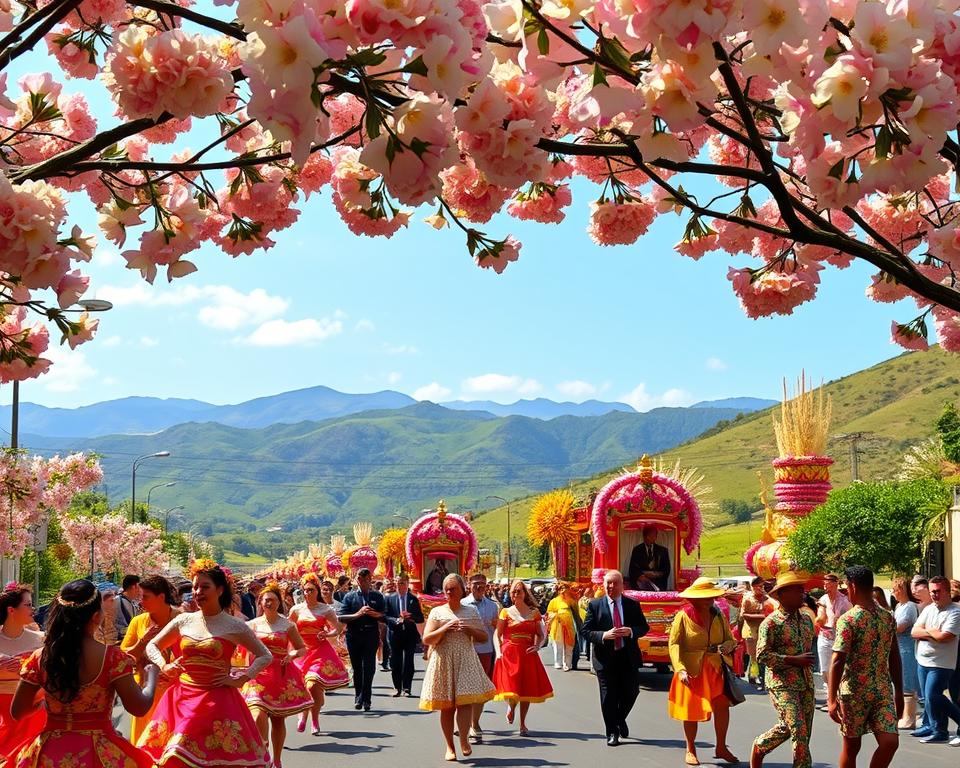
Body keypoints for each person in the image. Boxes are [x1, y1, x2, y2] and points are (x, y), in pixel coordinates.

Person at [7, 579, 159, 768]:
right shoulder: (112, 658)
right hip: (99, 751)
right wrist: (152, 676)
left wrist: (46, 701)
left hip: (49, 753)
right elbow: (139, 707)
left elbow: (18, 711)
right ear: (96, 616)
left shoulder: (40, 658)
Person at [138, 559, 272, 768]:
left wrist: (242, 679)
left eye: (204, 587)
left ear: (220, 590)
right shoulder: (184, 621)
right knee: (175, 757)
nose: (198, 592)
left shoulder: (235, 625)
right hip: (182, 700)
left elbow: (265, 655)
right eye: (195, 587)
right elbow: (152, 646)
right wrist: (164, 665)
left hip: (218, 702)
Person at [828, 565, 903, 768]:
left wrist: (898, 693)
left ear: (852, 587)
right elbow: (839, 660)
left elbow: (893, 655)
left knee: (890, 742)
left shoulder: (885, 617)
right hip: (854, 693)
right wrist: (833, 698)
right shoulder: (852, 618)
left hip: (881, 691)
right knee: (851, 748)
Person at [419, 573, 495, 762]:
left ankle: (463, 740)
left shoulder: (470, 612)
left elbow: (483, 637)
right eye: (446, 589)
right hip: (444, 661)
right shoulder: (438, 612)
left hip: (465, 660)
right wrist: (444, 629)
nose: (449, 592)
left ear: (462, 590)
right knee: (447, 707)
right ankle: (449, 747)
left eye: (453, 589)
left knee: (465, 702)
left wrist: (467, 629)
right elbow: (427, 639)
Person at [667, 576, 739, 766]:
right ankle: (690, 748)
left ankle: (721, 747)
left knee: (722, 706)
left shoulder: (718, 615)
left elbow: (730, 638)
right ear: (695, 598)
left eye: (712, 596)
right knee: (691, 711)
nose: (711, 600)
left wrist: (728, 645)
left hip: (716, 668)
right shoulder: (682, 616)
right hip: (692, 670)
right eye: (706, 597)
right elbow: (674, 644)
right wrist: (680, 669)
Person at [242, 582, 312, 767]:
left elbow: (302, 648)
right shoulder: (251, 625)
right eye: (266, 600)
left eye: (273, 600)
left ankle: (278, 758)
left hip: (280, 675)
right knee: (257, 713)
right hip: (257, 676)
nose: (269, 604)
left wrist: (292, 654)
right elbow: (242, 648)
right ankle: (264, 754)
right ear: (260, 602)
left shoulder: (288, 625)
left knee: (278, 720)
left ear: (279, 602)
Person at [751, 571, 816, 768]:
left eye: (802, 590)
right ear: (782, 595)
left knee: (800, 731)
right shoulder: (770, 623)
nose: (802, 594)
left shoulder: (806, 620)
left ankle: (761, 745)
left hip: (805, 682)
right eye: (797, 591)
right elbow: (762, 655)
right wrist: (792, 660)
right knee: (798, 729)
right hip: (782, 684)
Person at [581, 569, 649, 747]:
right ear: (603, 586)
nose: (611, 587)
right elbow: (585, 631)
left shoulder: (632, 605)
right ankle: (612, 732)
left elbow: (644, 627)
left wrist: (631, 631)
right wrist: (604, 635)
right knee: (608, 696)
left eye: (614, 583)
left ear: (622, 585)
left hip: (627, 657)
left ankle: (619, 719)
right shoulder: (595, 605)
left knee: (631, 692)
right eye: (607, 584)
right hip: (605, 659)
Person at [120, 574, 181, 744]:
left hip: (176, 691)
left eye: (145, 597)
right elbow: (124, 658)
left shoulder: (182, 620)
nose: (141, 602)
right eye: (140, 597)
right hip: (146, 691)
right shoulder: (138, 622)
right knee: (144, 742)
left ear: (161, 597)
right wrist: (143, 641)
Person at [289, 573, 348, 733]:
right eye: (305, 590)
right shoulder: (296, 610)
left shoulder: (325, 609)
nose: (308, 593)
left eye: (311, 590)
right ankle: (303, 715)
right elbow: (288, 630)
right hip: (302, 652)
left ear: (318, 591)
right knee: (304, 686)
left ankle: (313, 720)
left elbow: (338, 628)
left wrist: (327, 634)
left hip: (320, 652)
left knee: (313, 683)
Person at [492, 579, 553, 735]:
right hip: (509, 653)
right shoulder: (505, 612)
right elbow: (496, 634)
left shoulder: (534, 613)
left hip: (527, 653)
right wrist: (498, 652)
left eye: (519, 591)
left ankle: (523, 724)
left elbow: (541, 634)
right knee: (512, 686)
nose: (516, 593)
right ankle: (511, 706)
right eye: (513, 591)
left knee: (526, 689)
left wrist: (538, 646)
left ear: (525, 593)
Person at [910, 575, 960, 745]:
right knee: (929, 697)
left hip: (941, 663)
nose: (934, 595)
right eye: (932, 592)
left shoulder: (955, 612)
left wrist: (928, 632)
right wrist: (933, 632)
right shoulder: (929, 609)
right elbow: (914, 632)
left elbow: (945, 637)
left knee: (934, 696)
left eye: (938, 591)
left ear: (947, 592)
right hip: (923, 659)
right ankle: (939, 730)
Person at [0, 584, 45, 756]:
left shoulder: (40, 639)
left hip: (31, 710)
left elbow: (51, 678)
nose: (32, 608)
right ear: (11, 610)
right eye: (27, 604)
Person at [337, 567, 385, 711]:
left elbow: (384, 615)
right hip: (354, 635)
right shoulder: (349, 597)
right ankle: (359, 696)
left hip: (370, 635)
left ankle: (367, 698)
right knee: (357, 668)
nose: (363, 582)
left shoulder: (377, 596)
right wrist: (358, 614)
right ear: (356, 580)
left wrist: (373, 614)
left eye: (365, 579)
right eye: (360, 579)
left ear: (370, 580)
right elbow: (342, 617)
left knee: (369, 667)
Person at [462, 572, 500, 744]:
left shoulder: (493, 606)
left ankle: (475, 723)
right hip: (466, 650)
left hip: (485, 651)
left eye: (482, 584)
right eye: (476, 584)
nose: (479, 587)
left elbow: (497, 629)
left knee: (481, 689)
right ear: (469, 585)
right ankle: (464, 721)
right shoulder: (462, 604)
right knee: (466, 688)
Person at [384, 573, 424, 697]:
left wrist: (410, 617)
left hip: (409, 634)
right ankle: (397, 687)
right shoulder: (389, 598)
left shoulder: (413, 599)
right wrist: (395, 620)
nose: (399, 585)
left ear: (407, 584)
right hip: (395, 634)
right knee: (395, 661)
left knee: (408, 661)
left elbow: (420, 618)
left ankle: (407, 688)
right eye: (397, 582)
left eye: (401, 582)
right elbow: (385, 616)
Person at [815, 573, 851, 705]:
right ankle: (831, 697)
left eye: (829, 583)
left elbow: (849, 617)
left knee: (838, 667)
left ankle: (837, 698)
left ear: (836, 584)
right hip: (824, 636)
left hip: (838, 637)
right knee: (825, 669)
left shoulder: (845, 601)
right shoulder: (823, 599)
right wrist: (819, 618)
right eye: (824, 583)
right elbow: (820, 618)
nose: (826, 585)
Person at [890, 576, 920, 729]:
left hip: (907, 647)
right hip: (899, 646)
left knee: (907, 681)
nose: (893, 593)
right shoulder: (899, 607)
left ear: (901, 590)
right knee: (900, 681)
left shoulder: (909, 607)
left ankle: (909, 717)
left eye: (895, 589)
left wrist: (887, 627)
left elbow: (900, 627)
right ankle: (903, 715)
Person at [740, 576, 772, 689]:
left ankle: (761, 678)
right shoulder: (748, 598)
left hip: (763, 630)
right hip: (750, 630)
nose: (761, 588)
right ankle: (754, 676)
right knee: (753, 656)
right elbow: (744, 615)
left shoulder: (767, 598)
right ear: (753, 587)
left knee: (762, 654)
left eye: (763, 586)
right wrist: (762, 617)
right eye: (759, 586)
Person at [627, 525, 671, 591]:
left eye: (654, 535)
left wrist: (657, 574)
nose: (653, 538)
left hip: (659, 585)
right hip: (641, 585)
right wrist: (641, 575)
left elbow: (667, 569)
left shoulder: (663, 551)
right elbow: (632, 569)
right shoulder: (637, 550)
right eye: (650, 536)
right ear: (644, 536)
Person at [546, 583, 578, 671]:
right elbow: (549, 612)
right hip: (558, 624)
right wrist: (556, 615)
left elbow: (576, 614)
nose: (563, 591)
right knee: (558, 644)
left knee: (569, 644)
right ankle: (557, 662)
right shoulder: (554, 601)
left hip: (569, 624)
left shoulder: (571, 601)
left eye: (565, 588)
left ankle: (567, 663)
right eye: (562, 589)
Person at [115, 574, 142, 640]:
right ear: (134, 587)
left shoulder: (133, 603)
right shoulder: (116, 601)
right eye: (138, 587)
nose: (139, 590)